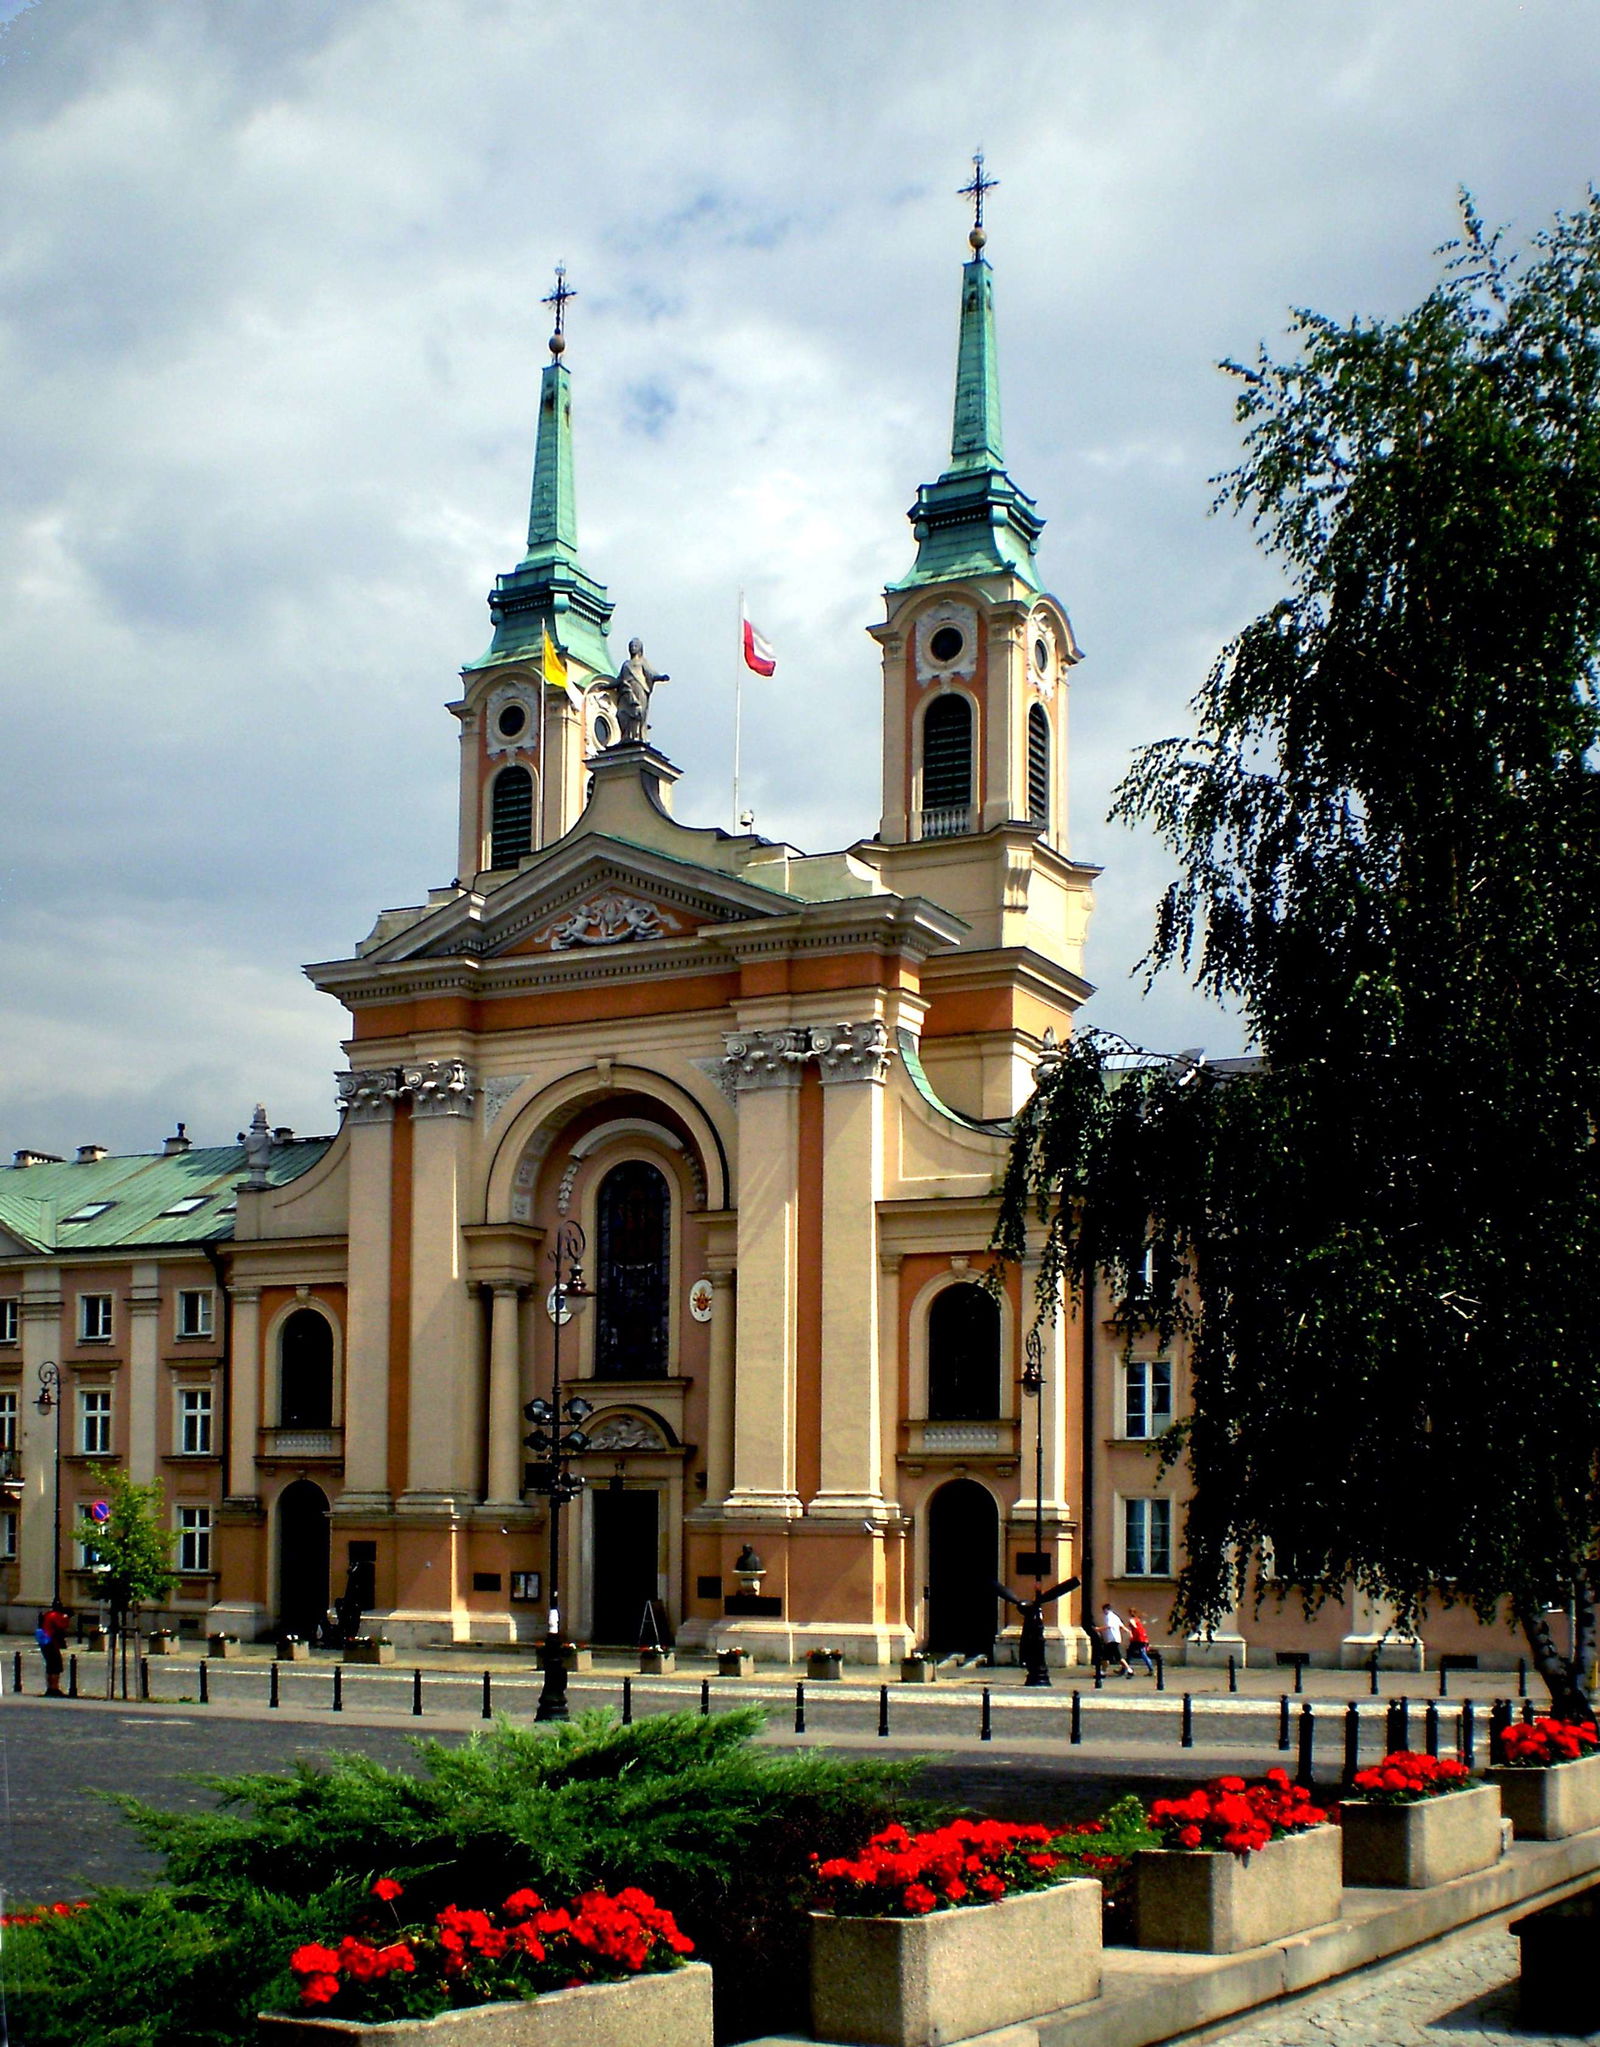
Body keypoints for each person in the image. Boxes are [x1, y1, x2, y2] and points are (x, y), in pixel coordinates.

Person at [35, 1603, 70, 1698]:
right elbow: (62, 1626)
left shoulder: (47, 1615)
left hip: (44, 1642)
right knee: (56, 1666)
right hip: (51, 1642)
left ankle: (50, 1687)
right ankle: (54, 1688)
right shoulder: (56, 1616)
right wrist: (66, 1618)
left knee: (50, 1666)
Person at [1098, 1602, 1133, 1678]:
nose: (1103, 1612)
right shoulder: (1115, 1616)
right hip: (1116, 1639)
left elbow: (1109, 1626)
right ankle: (1103, 1672)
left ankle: (1129, 1670)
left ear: (1106, 1609)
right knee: (1108, 1657)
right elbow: (1122, 1626)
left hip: (1112, 1639)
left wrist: (1099, 1629)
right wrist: (1128, 1632)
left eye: (1104, 1610)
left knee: (1115, 1657)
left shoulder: (1108, 1617)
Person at [1127, 1607, 1156, 1677]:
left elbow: (1134, 1626)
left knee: (1133, 1653)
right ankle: (1151, 1669)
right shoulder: (1138, 1619)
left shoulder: (1133, 1620)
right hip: (1142, 1639)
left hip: (1138, 1639)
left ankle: (1125, 1669)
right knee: (1140, 1653)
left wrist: (1132, 1627)